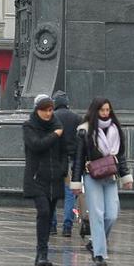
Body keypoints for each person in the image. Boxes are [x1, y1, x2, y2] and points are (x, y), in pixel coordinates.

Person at [71, 97, 133, 266]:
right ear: (95, 111)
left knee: (112, 215)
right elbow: (78, 158)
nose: (105, 113)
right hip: (92, 176)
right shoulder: (84, 131)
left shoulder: (115, 129)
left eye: (107, 110)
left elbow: (120, 156)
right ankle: (99, 255)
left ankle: (95, 243)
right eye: (102, 110)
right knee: (97, 214)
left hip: (111, 177)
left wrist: (125, 175)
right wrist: (76, 182)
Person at [22, 94, 67, 266]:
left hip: (54, 178)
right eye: (44, 110)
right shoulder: (29, 126)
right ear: (37, 110)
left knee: (49, 215)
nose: (48, 114)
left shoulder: (58, 125)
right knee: (44, 212)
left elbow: (64, 151)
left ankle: (43, 252)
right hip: (36, 177)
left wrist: (62, 168)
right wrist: (54, 136)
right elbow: (36, 145)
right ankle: (41, 252)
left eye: (50, 110)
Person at [50, 90, 80, 237]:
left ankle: (52, 225)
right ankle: (67, 226)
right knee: (69, 194)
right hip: (70, 162)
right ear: (67, 103)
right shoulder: (76, 118)